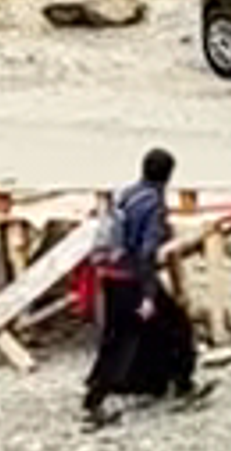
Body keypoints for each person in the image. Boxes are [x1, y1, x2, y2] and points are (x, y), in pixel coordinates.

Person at [83, 144, 200, 422]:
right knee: (173, 327)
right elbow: (146, 252)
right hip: (133, 280)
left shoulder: (127, 194)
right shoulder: (154, 203)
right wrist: (148, 295)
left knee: (125, 334)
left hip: (111, 275)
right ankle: (96, 401)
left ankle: (149, 381)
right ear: (169, 176)